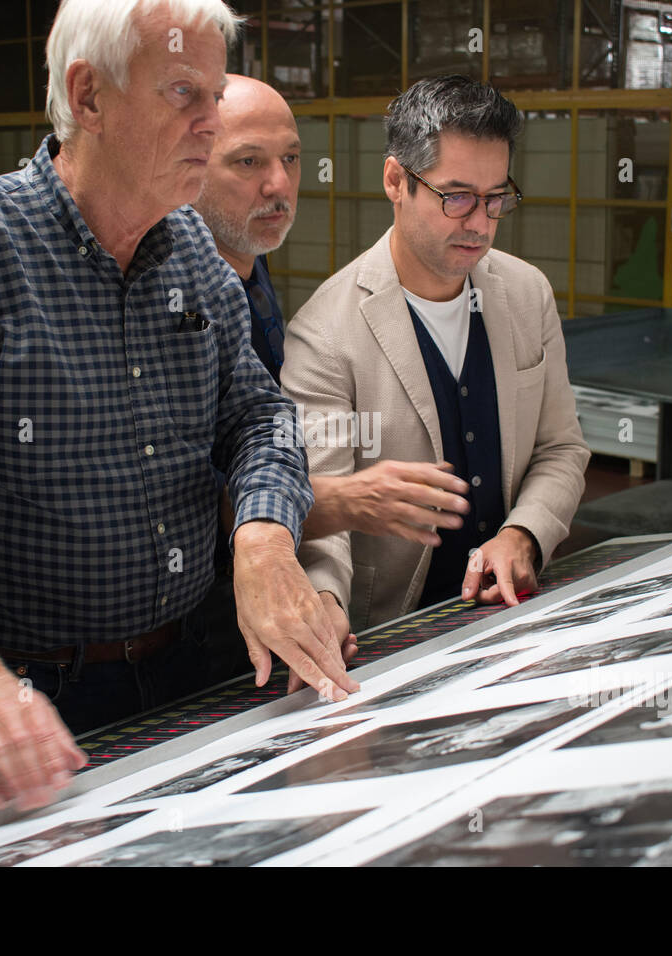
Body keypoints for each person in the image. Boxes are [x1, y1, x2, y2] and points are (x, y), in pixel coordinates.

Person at [0, 0, 357, 812]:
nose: (211, 125)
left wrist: (262, 533)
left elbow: (259, 418)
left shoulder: (191, 249)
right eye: (185, 93)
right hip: (35, 701)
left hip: (190, 674)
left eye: (216, 98)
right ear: (89, 96)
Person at [190, 73, 480, 688]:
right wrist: (348, 499)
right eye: (248, 162)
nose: (279, 186)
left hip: (239, 608)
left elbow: (265, 452)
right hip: (172, 619)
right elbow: (177, 499)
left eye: (291, 159)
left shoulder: (252, 274)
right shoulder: (176, 296)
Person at [280, 74, 590, 633]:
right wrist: (326, 602)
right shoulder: (324, 334)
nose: (480, 223)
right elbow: (320, 512)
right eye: (457, 197)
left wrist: (524, 534)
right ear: (396, 180)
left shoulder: (527, 294)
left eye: (497, 199)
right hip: (392, 632)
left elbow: (561, 449)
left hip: (513, 612)